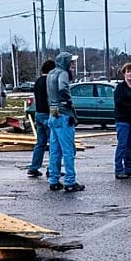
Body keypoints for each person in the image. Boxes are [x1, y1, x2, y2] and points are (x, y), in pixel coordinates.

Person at [45, 52, 83, 192]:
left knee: (55, 149)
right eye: (71, 62)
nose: (73, 65)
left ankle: (54, 180)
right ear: (66, 62)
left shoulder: (50, 74)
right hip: (63, 114)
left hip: (53, 113)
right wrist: (69, 101)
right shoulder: (63, 74)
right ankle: (70, 181)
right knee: (68, 150)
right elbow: (62, 87)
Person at [26, 60, 56, 178]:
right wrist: (56, 114)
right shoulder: (49, 82)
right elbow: (51, 100)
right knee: (53, 144)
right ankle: (52, 169)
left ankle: (34, 167)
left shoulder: (37, 82)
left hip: (38, 114)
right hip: (48, 115)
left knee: (40, 143)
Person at [112, 62, 131, 179]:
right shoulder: (120, 88)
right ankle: (119, 170)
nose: (130, 74)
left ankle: (129, 169)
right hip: (123, 120)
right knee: (122, 145)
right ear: (124, 73)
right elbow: (119, 102)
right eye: (127, 72)